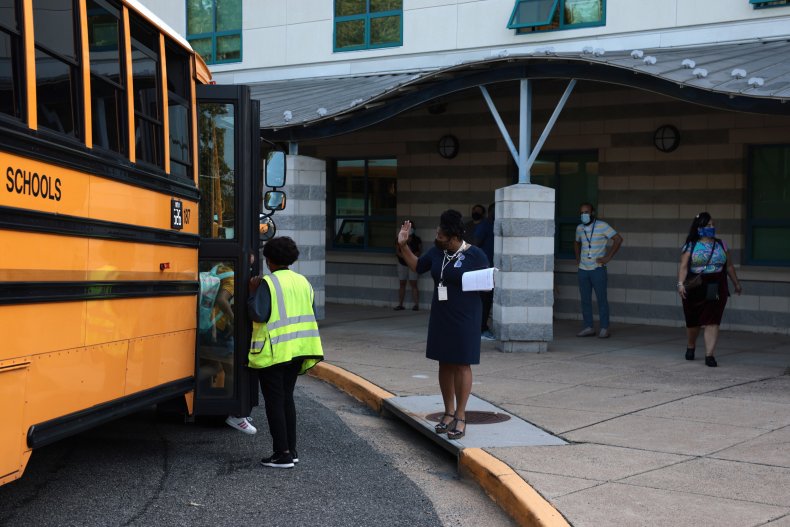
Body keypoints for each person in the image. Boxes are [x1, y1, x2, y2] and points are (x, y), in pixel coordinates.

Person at [397, 210, 489, 441]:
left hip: (466, 315)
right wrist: (403, 245)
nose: (437, 237)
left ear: (454, 237)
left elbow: (488, 287)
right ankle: (448, 412)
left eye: (440, 235)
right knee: (444, 362)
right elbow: (417, 266)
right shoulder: (438, 253)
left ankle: (461, 415)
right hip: (442, 314)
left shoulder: (475, 255)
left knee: (462, 363)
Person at [247, 237, 324, 468]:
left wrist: (252, 293)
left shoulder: (268, 284)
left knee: (274, 402)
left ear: (269, 261)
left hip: (274, 351)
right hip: (298, 349)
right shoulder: (303, 282)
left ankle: (282, 454)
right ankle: (292, 449)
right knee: (287, 399)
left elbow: (257, 314)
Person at [677, 212, 742, 367]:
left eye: (713, 225)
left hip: (716, 284)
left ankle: (709, 355)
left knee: (713, 319)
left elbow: (730, 266)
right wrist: (680, 284)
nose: (712, 228)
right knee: (693, 321)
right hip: (696, 284)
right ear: (699, 227)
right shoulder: (691, 245)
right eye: (708, 225)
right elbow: (684, 267)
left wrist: (736, 283)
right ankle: (691, 345)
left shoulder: (721, 244)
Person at [574, 202, 623, 338]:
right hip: (583, 269)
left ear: (592, 213)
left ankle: (604, 327)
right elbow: (576, 242)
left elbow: (618, 239)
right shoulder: (579, 228)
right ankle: (588, 326)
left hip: (597, 269)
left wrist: (608, 257)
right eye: (581, 213)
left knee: (601, 299)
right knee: (585, 300)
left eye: (586, 212)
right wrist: (578, 258)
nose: (584, 215)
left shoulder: (602, 226)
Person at [475, 203, 495, 340]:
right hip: (484, 269)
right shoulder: (485, 225)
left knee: (488, 300)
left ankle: (482, 327)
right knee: (484, 300)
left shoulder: (496, 225)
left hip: (493, 269)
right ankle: (481, 328)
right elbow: (475, 244)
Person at [394, 222, 422, 311]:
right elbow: (397, 251)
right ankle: (400, 304)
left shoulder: (417, 239)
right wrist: (405, 257)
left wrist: (410, 258)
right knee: (402, 283)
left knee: (413, 283)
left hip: (413, 264)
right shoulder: (399, 238)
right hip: (402, 264)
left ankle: (416, 305)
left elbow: (419, 252)